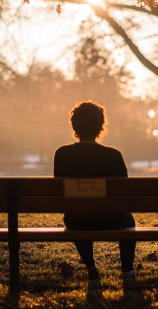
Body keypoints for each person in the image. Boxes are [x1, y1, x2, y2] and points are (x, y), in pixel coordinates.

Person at [54, 101, 136, 280]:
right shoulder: (114, 156)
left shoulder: (62, 154)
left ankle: (91, 267)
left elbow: (61, 192)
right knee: (128, 218)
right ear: (100, 126)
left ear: (74, 125)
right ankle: (127, 270)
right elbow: (125, 195)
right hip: (111, 219)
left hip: (76, 220)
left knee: (76, 212)